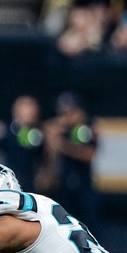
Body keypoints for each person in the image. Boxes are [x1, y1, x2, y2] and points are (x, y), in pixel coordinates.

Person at [39, 92, 100, 226]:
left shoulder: (86, 128)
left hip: (83, 185)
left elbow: (89, 154)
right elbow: (49, 157)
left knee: (88, 224)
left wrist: (63, 146)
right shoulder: (57, 130)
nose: (66, 116)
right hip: (62, 185)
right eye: (62, 113)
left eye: (70, 111)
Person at [0, 95, 45, 193]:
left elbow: (44, 158)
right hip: (9, 179)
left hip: (31, 182)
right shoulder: (7, 130)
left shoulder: (39, 132)